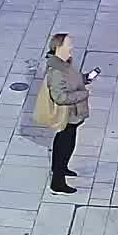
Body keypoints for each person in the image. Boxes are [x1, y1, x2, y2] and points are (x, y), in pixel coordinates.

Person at [37, 32, 94, 194]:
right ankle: (58, 181)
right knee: (64, 145)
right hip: (67, 115)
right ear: (59, 47)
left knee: (67, 143)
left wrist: (83, 79)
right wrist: (83, 94)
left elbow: (70, 80)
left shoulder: (64, 63)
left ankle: (62, 169)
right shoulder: (57, 70)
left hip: (72, 115)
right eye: (68, 44)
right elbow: (60, 96)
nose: (72, 47)